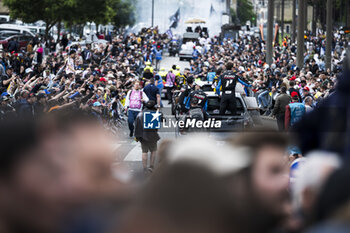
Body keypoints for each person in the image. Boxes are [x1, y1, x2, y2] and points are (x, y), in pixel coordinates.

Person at [134, 100, 160, 174]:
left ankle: (145, 168)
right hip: (152, 134)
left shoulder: (140, 114)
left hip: (142, 135)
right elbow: (158, 124)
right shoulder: (155, 113)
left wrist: (137, 136)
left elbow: (136, 126)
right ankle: (151, 166)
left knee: (144, 151)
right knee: (153, 150)